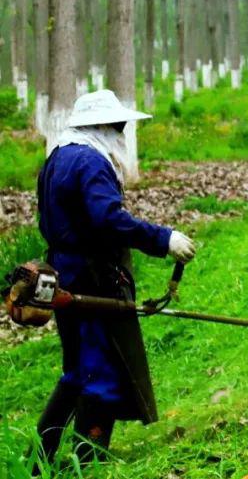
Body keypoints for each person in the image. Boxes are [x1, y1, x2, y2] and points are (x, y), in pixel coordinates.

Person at [32, 89, 196, 472]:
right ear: (102, 125)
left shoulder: (58, 156)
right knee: (99, 371)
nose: (122, 132)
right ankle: (84, 465)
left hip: (64, 274)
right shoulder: (89, 161)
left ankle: (39, 461)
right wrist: (163, 238)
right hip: (91, 279)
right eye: (118, 125)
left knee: (74, 371)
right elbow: (107, 219)